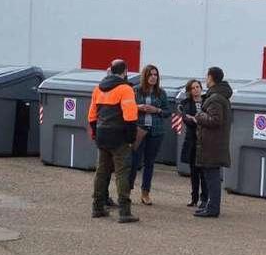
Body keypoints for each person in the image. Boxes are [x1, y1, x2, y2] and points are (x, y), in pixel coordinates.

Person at [88, 59, 139, 223]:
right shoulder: (125, 89)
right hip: (119, 137)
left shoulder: (98, 89)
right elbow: (130, 117)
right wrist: (131, 139)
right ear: (125, 71)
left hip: (102, 135)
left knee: (101, 173)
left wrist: (96, 134)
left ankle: (97, 207)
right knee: (121, 173)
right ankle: (124, 212)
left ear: (111, 70)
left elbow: (92, 116)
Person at [192, 67, 232, 218]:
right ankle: (210, 206)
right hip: (215, 143)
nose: (205, 80)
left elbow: (216, 120)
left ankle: (213, 208)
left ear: (211, 78)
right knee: (211, 176)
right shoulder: (220, 96)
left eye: (207, 77)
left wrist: (200, 116)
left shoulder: (215, 98)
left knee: (212, 177)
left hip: (211, 144)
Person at [128, 64, 171, 205]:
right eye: (150, 74)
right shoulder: (136, 91)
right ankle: (126, 192)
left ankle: (145, 193)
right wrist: (137, 107)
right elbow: (126, 108)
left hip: (156, 132)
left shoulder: (161, 93)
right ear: (145, 76)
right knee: (134, 162)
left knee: (149, 163)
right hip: (139, 131)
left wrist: (156, 110)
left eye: (155, 75)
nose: (153, 77)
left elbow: (167, 112)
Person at [179, 79, 208, 208]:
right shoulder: (187, 103)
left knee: (204, 173)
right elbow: (186, 120)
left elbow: (208, 119)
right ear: (189, 91)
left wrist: (195, 118)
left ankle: (204, 199)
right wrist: (198, 119)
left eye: (198, 87)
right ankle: (194, 198)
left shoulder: (207, 101)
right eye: (193, 88)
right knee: (194, 172)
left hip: (205, 141)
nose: (196, 89)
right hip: (192, 141)